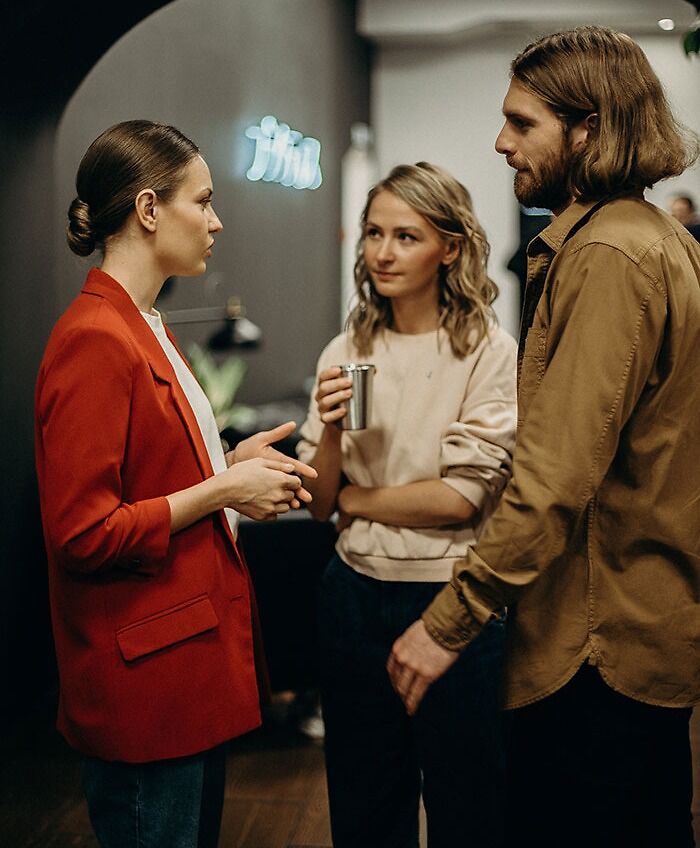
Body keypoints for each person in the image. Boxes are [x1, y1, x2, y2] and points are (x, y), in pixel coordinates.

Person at [387, 26, 700, 848]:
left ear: (588, 130)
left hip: (593, 647)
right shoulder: (653, 240)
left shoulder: (609, 256)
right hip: (635, 636)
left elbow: (556, 476)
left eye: (522, 123)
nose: (502, 142)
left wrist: (447, 623)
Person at [34, 120, 317, 848]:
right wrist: (224, 490)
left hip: (184, 668)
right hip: (145, 685)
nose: (217, 222)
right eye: (204, 200)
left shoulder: (144, 323)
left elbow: (151, 478)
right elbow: (83, 533)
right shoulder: (95, 337)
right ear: (149, 209)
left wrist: (228, 464)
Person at [297, 162, 517, 848]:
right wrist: (330, 432)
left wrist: (357, 497)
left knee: (467, 810)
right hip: (352, 595)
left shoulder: (486, 350)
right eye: (373, 233)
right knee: (364, 808)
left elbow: (458, 499)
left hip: (450, 601)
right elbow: (318, 504)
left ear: (449, 248)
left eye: (406, 236)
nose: (383, 253)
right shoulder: (347, 348)